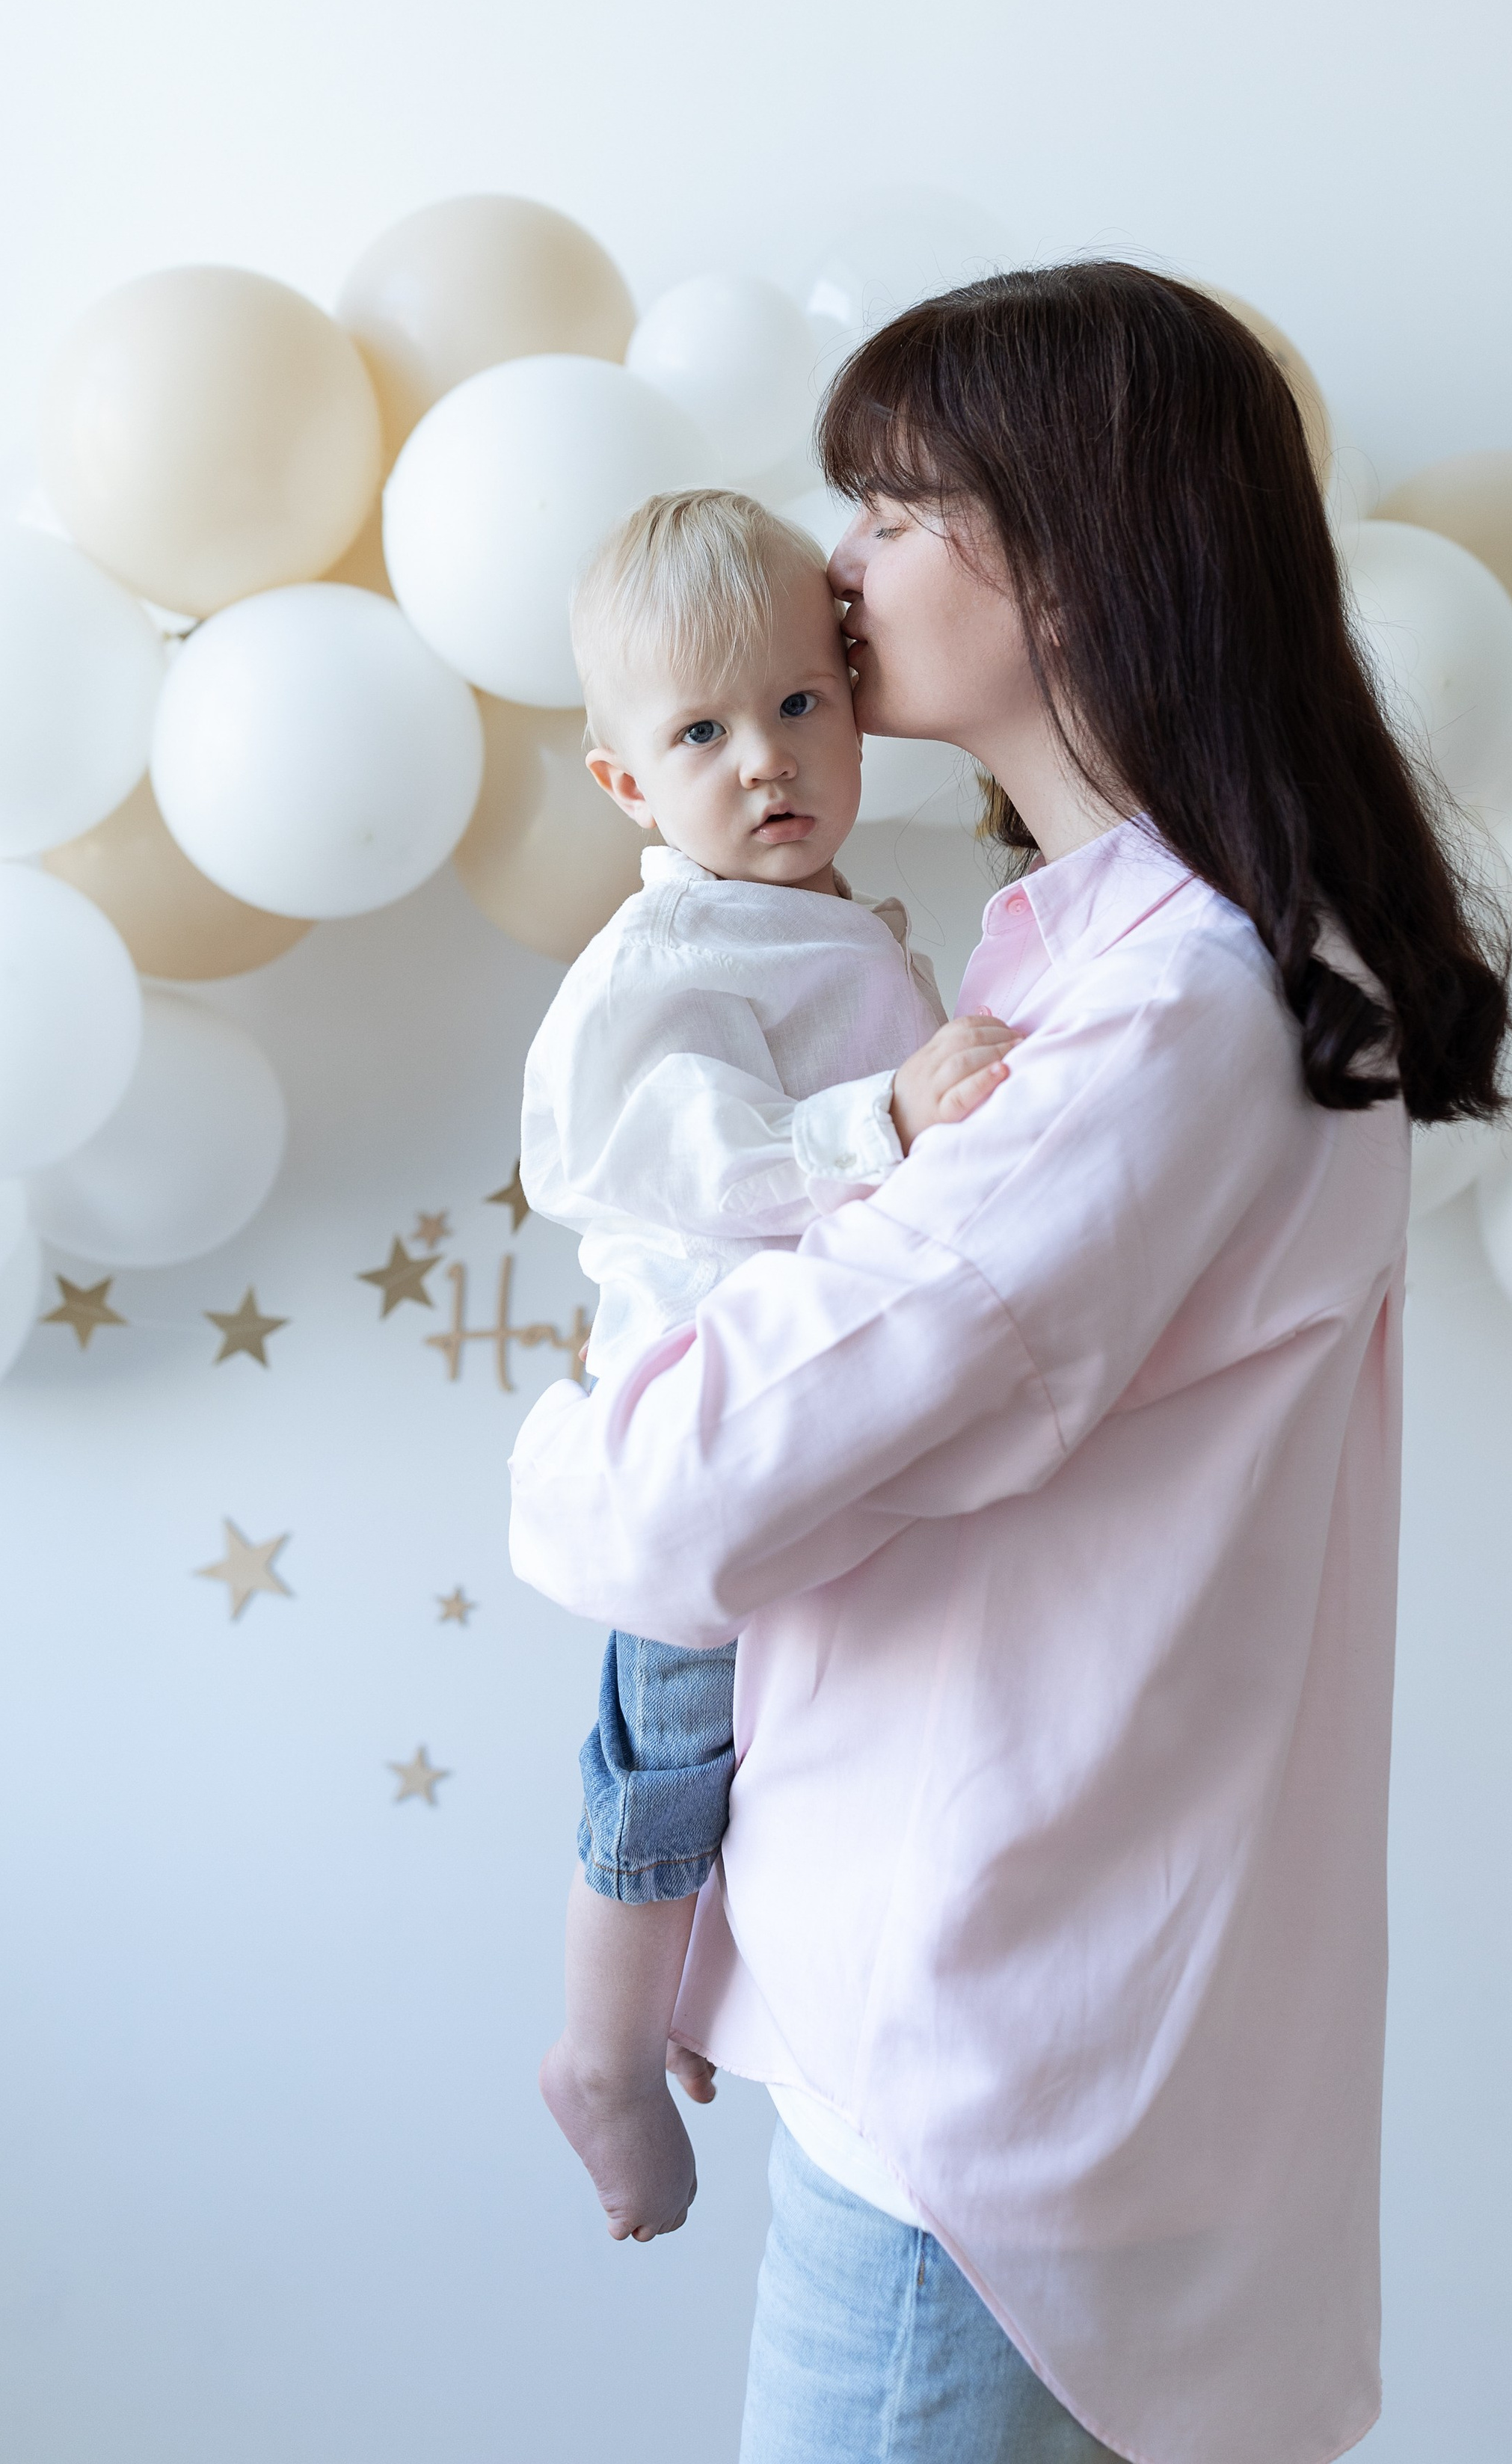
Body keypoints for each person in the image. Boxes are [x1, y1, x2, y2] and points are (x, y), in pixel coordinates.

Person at [511, 266, 1512, 2464]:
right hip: (1002, 2015)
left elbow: (668, 1502)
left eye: (891, 507)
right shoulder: (1085, 957)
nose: (841, 568)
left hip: (978, 2070)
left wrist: (572, 1442)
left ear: (1068, 553)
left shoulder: (1170, 1019)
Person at [523, 489, 1021, 2243]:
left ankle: (680, 1986)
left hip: (809, 1420)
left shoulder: (824, 919)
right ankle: (594, 2043)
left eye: (800, 704)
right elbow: (662, 1161)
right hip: (699, 1421)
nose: (763, 762)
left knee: (767, 1745)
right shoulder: (670, 952)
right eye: (699, 732)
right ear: (622, 784)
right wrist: (876, 1115)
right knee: (666, 1734)